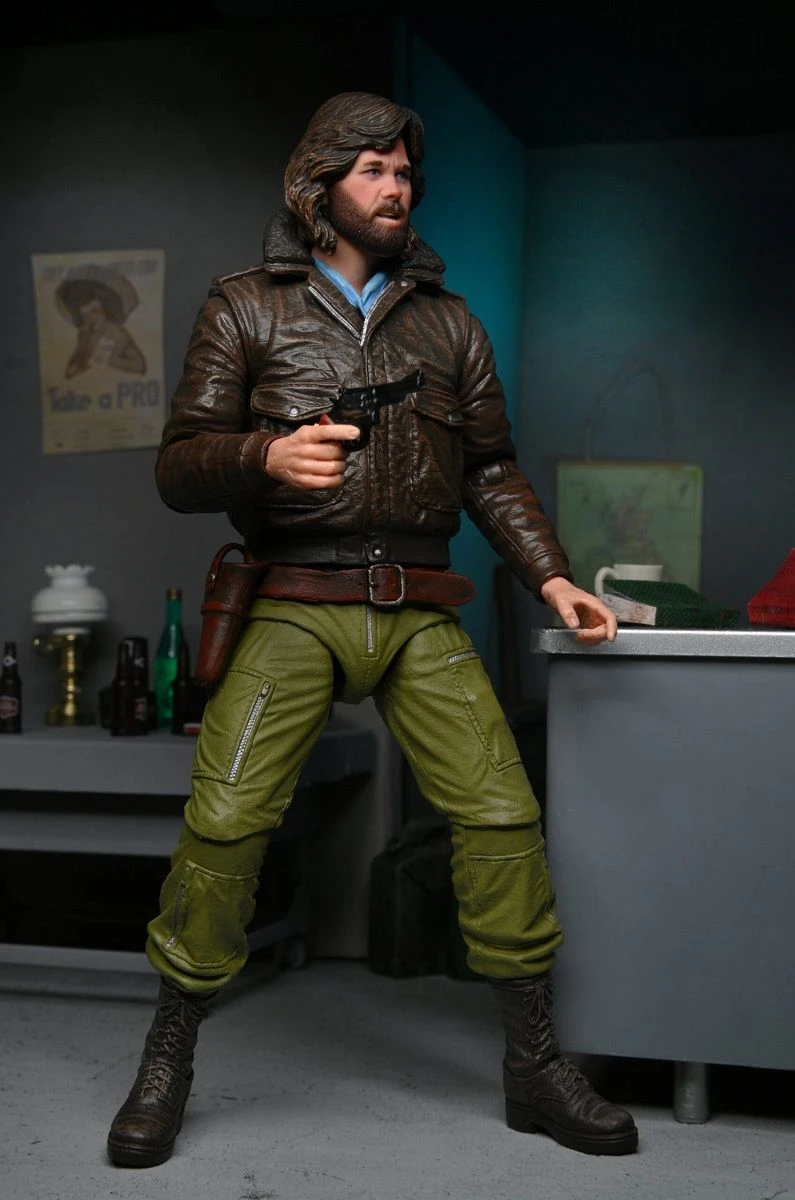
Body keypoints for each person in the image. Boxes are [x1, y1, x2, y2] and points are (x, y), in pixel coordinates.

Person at [107, 91, 638, 1169]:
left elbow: (490, 469)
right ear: (320, 184)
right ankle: (166, 1058)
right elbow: (178, 464)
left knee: (501, 817)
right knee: (226, 824)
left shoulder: (450, 324)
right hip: (295, 602)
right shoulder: (245, 308)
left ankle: (534, 1065)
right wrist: (261, 456)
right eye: (373, 171)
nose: (396, 189)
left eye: (404, 172)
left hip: (417, 607)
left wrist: (550, 578)